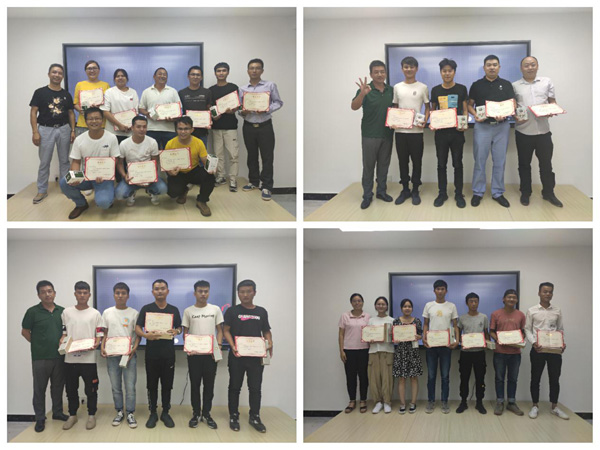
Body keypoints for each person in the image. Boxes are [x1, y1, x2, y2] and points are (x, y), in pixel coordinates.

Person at [513, 56, 563, 207]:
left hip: (543, 132)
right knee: (524, 164)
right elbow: (513, 107)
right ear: (521, 68)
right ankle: (525, 192)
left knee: (546, 165)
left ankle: (548, 193)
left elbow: (552, 102)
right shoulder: (514, 86)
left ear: (537, 66)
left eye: (532, 64)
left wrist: (553, 110)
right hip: (523, 132)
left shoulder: (546, 82)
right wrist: (515, 117)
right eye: (526, 65)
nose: (530, 67)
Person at [224, 279, 273, 433]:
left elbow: (266, 331)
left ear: (254, 293)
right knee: (234, 387)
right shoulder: (232, 311)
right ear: (238, 294)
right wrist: (232, 345)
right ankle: (233, 416)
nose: (245, 295)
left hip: (256, 357)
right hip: (237, 356)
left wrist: (270, 342)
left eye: (248, 291)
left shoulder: (261, 312)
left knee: (255, 388)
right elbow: (226, 330)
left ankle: (255, 416)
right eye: (242, 292)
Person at [468, 55, 516, 208]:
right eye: (489, 65)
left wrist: (507, 113)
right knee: (480, 160)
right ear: (484, 68)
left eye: (495, 65)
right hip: (482, 127)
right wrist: (475, 115)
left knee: (499, 161)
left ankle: (498, 192)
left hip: (502, 127)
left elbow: (513, 104)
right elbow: (469, 105)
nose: (492, 67)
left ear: (499, 67)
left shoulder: (506, 84)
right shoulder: (476, 85)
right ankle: (478, 192)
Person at [21, 280, 69, 432]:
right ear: (38, 295)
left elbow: (66, 331)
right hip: (40, 357)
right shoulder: (32, 312)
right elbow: (25, 332)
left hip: (59, 356)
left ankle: (57, 412)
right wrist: (38, 343)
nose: (47, 294)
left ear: (54, 293)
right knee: (39, 389)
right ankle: (40, 418)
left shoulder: (63, 311)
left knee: (58, 387)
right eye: (43, 292)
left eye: (50, 291)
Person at [135, 279, 182, 429]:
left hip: (168, 354)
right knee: (152, 385)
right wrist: (145, 335)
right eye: (157, 289)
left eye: (162, 288)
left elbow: (180, 327)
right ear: (152, 292)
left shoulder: (174, 309)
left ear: (168, 291)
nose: (160, 291)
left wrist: (177, 331)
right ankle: (153, 413)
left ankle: (166, 412)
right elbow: (137, 327)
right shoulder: (146, 309)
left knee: (167, 385)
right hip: (152, 354)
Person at [59, 107, 119, 219]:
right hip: (86, 175)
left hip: (104, 177)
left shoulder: (111, 138)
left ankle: (108, 196)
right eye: (90, 119)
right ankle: (81, 204)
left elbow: (115, 159)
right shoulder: (79, 139)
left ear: (102, 120)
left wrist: (105, 174)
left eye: (97, 118)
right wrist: (74, 176)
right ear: (86, 121)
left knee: (104, 203)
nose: (94, 121)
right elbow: (76, 161)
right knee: (64, 182)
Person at [29, 63, 76, 204]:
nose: (57, 75)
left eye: (60, 73)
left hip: (64, 129)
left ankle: (65, 188)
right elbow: (33, 112)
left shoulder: (66, 94)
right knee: (44, 161)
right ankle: (42, 190)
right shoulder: (40, 92)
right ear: (49, 74)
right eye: (54, 72)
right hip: (45, 129)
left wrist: (72, 130)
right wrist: (35, 132)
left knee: (64, 161)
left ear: (62, 76)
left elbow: (71, 113)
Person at [60, 281, 103, 431]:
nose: (82, 295)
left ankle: (91, 415)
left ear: (89, 295)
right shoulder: (66, 312)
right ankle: (72, 415)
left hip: (88, 359)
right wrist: (62, 341)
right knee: (71, 389)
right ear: (75, 294)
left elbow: (99, 334)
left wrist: (96, 343)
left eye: (85, 293)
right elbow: (64, 333)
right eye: (79, 292)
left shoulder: (95, 313)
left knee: (91, 389)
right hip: (70, 359)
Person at [351, 60, 394, 210]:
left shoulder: (391, 90)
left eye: (382, 71)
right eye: (376, 72)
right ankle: (367, 195)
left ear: (386, 73)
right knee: (368, 167)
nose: (379, 74)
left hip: (387, 134)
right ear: (371, 74)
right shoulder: (366, 89)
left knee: (384, 166)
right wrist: (362, 94)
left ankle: (381, 192)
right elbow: (354, 107)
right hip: (369, 135)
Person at [238, 58, 284, 201]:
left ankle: (267, 186)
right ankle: (253, 182)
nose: (254, 70)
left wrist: (266, 109)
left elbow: (278, 102)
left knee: (267, 157)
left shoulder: (270, 85)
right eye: (251, 68)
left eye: (257, 68)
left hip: (265, 126)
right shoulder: (242, 89)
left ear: (262, 71)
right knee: (251, 156)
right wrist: (242, 112)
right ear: (247, 71)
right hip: (248, 126)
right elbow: (239, 108)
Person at [182, 280, 224, 429]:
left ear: (209, 292)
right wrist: (189, 346)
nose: (203, 294)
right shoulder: (188, 311)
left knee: (209, 386)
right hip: (194, 355)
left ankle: (206, 414)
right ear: (195, 293)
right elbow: (185, 333)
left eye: (206, 291)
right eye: (200, 291)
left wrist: (218, 348)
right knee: (195, 385)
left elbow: (220, 331)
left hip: (210, 355)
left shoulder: (215, 309)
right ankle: (196, 413)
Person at [525, 282, 568, 420]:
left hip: (554, 350)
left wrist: (561, 342)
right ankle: (535, 406)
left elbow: (560, 329)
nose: (547, 294)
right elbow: (527, 329)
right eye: (545, 291)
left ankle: (554, 407)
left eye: (550, 292)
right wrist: (533, 342)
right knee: (535, 378)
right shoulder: (532, 310)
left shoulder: (557, 310)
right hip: (538, 349)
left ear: (552, 294)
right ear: (539, 293)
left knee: (554, 379)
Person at [430, 58, 468, 208]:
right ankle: (442, 193)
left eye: (450, 71)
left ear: (454, 72)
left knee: (457, 164)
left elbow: (465, 109)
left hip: (457, 133)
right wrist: (433, 122)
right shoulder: (435, 90)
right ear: (440, 72)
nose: (447, 73)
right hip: (441, 134)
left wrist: (465, 122)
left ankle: (459, 194)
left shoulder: (462, 88)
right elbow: (433, 110)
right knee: (441, 164)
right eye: (444, 71)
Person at [100, 282, 139, 428]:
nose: (120, 295)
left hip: (129, 355)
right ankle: (119, 411)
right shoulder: (107, 312)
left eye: (123, 293)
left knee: (130, 387)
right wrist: (102, 346)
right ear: (114, 295)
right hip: (112, 355)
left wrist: (134, 349)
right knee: (115, 386)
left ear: (128, 296)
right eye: (117, 293)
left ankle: (130, 413)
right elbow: (104, 333)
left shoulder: (134, 313)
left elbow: (138, 334)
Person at [392, 56, 430, 206]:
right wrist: (393, 120)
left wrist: (425, 120)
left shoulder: (423, 87)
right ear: (402, 69)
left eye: (412, 67)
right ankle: (405, 189)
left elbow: (428, 108)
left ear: (416, 69)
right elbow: (395, 107)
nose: (409, 69)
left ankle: (415, 190)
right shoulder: (397, 87)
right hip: (400, 132)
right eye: (406, 67)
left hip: (416, 132)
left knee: (417, 162)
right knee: (402, 162)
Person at [165, 116, 216, 216]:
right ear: (176, 130)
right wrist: (170, 172)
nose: (183, 132)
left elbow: (204, 160)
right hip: (178, 173)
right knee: (172, 193)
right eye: (180, 129)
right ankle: (183, 190)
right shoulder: (170, 144)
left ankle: (201, 201)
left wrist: (211, 167)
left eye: (186, 129)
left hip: (193, 170)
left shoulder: (198, 142)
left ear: (192, 129)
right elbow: (167, 164)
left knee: (210, 176)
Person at [422, 279, 459, 414]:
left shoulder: (451, 306)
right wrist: (424, 338)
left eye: (442, 289)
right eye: (438, 289)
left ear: (446, 291)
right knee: (431, 376)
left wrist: (456, 340)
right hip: (431, 346)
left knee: (445, 376)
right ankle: (431, 401)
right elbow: (426, 324)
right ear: (434, 291)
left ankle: (444, 402)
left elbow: (455, 325)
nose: (440, 291)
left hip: (446, 346)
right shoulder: (428, 305)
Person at [115, 115, 168, 206]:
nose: (142, 129)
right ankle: (132, 192)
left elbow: (155, 162)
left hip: (148, 175)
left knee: (163, 189)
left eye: (144, 127)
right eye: (138, 127)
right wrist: (124, 176)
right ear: (132, 128)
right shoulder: (124, 144)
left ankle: (151, 191)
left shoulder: (152, 142)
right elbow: (119, 163)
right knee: (119, 194)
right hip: (131, 176)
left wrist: (151, 177)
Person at [489, 289, 526, 416]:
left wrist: (520, 339)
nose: (511, 299)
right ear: (503, 299)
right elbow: (491, 331)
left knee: (513, 379)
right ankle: (500, 402)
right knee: (499, 378)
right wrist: (499, 339)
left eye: (514, 297)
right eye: (509, 297)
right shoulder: (496, 314)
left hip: (515, 353)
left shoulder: (521, 315)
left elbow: (523, 332)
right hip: (500, 352)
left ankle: (511, 402)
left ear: (517, 300)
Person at [209, 62, 240, 192]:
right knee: (218, 154)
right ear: (215, 73)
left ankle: (233, 179)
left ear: (228, 72)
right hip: (216, 127)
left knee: (233, 155)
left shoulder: (233, 87)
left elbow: (238, 105)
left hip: (230, 127)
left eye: (223, 70)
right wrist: (214, 116)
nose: (221, 73)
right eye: (218, 71)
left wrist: (233, 110)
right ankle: (221, 176)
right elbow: (210, 107)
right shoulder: (211, 90)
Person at [456, 292, 489, 414]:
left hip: (479, 353)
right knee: (464, 378)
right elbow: (458, 334)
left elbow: (486, 334)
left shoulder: (483, 317)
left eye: (476, 301)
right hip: (466, 353)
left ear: (478, 302)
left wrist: (487, 342)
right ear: (467, 303)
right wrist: (461, 340)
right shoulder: (462, 318)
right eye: (471, 301)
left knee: (480, 379)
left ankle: (479, 402)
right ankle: (463, 402)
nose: (474, 304)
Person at [338, 293, 370, 414]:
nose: (357, 303)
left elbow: (371, 333)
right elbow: (341, 334)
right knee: (350, 377)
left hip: (364, 350)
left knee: (363, 376)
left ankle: (363, 400)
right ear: (351, 303)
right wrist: (341, 350)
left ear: (363, 302)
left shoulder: (367, 316)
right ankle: (352, 400)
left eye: (359, 301)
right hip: (349, 350)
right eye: (355, 301)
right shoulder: (345, 316)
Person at [392, 298, 423, 414]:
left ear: (412, 308)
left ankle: (413, 403)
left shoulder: (417, 321)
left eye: (409, 306)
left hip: (413, 352)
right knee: (401, 379)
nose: (407, 308)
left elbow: (420, 335)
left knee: (414, 378)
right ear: (401, 308)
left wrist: (419, 337)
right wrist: (395, 339)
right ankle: (402, 404)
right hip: (401, 353)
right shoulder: (396, 321)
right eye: (405, 306)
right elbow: (393, 337)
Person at [139, 67, 181, 149]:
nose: (162, 76)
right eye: (160, 74)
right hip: (151, 129)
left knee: (169, 154)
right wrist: (147, 114)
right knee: (152, 153)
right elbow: (141, 108)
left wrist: (173, 118)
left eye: (164, 74)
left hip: (169, 129)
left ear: (167, 77)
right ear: (154, 76)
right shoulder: (146, 91)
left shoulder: (173, 91)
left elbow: (179, 110)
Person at [366, 297, 394, 414]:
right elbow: (367, 335)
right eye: (378, 304)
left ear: (387, 306)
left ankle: (387, 402)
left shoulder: (392, 320)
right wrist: (369, 339)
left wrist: (391, 336)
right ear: (375, 306)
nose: (381, 306)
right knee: (374, 379)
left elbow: (395, 337)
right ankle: (378, 402)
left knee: (387, 378)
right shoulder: (371, 321)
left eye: (383, 304)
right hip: (373, 351)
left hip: (387, 351)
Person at [100, 68, 139, 144]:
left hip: (129, 132)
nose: (120, 78)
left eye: (123, 76)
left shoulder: (133, 92)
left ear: (127, 78)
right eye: (118, 76)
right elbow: (105, 112)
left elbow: (136, 112)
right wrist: (119, 125)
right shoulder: (109, 92)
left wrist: (131, 126)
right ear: (114, 79)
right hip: (112, 132)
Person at [179, 66, 213, 149]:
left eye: (198, 75)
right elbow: (179, 111)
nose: (195, 77)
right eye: (193, 74)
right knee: (186, 155)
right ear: (188, 76)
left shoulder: (207, 92)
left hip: (202, 131)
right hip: (185, 132)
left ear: (201, 77)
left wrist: (210, 119)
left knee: (202, 155)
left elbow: (210, 108)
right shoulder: (181, 93)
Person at [73, 60, 110, 136]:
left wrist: (99, 108)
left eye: (94, 68)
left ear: (98, 70)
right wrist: (82, 110)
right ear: (85, 71)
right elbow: (75, 103)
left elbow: (108, 105)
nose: (92, 71)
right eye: (89, 68)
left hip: (101, 124)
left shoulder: (105, 85)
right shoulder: (79, 85)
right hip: (83, 124)